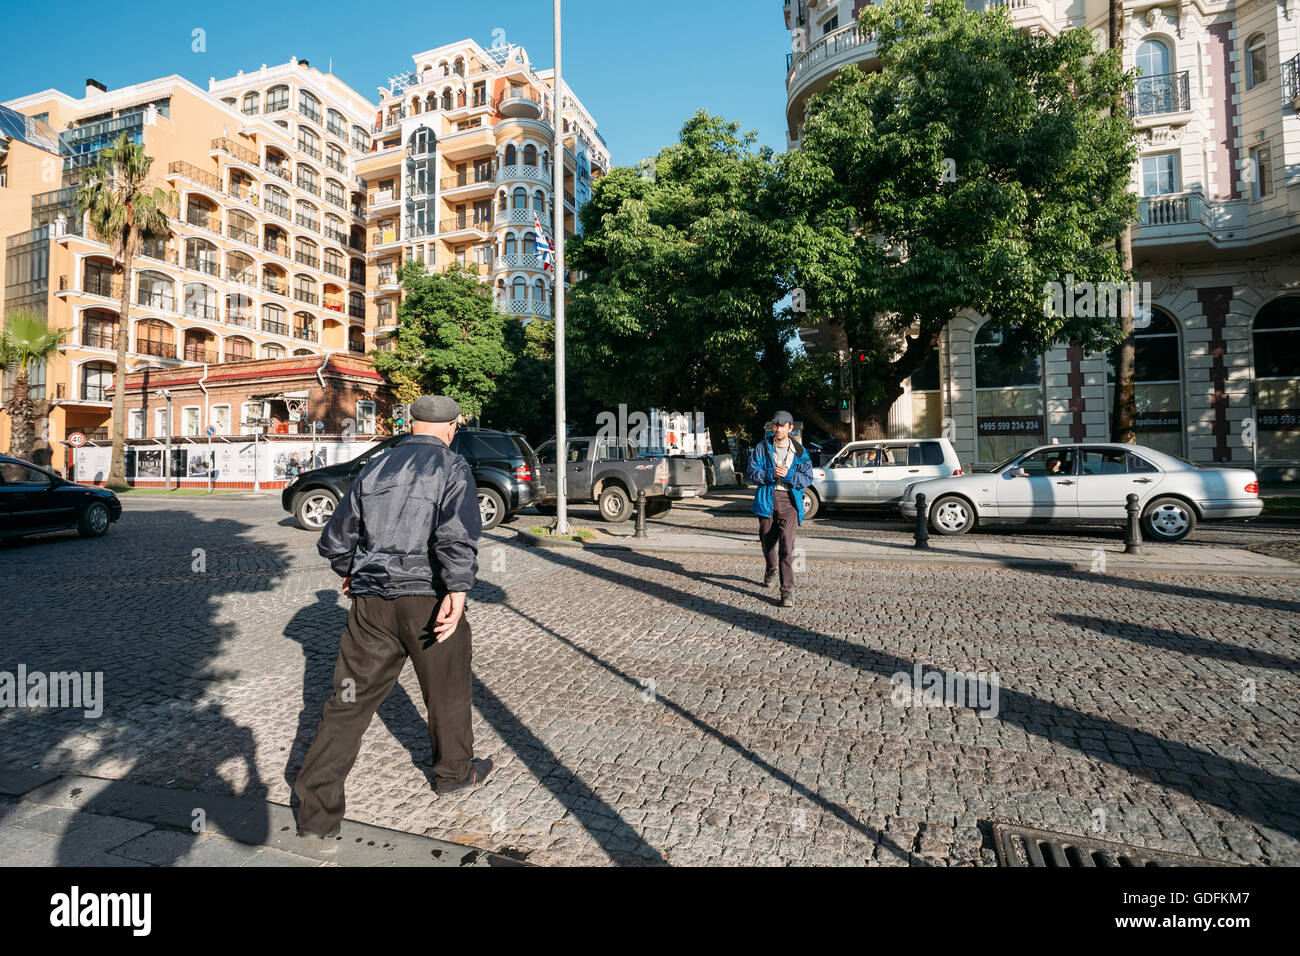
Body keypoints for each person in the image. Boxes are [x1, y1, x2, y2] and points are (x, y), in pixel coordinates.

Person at [293, 394, 491, 839]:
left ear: (412, 424)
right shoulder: (452, 467)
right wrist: (457, 591)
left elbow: (336, 539)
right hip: (428, 596)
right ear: (452, 426)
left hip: (373, 602)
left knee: (345, 705)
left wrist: (349, 572)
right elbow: (455, 535)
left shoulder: (374, 466)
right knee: (447, 692)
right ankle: (454, 774)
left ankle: (316, 814)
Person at [746, 411, 814, 608]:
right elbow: (752, 473)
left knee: (787, 547)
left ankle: (787, 592)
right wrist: (770, 473)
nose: (778, 429)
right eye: (775, 425)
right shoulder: (762, 447)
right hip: (767, 500)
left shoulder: (800, 451)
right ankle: (770, 567)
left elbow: (807, 478)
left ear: (790, 428)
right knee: (767, 543)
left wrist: (789, 475)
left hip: (789, 502)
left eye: (782, 425)